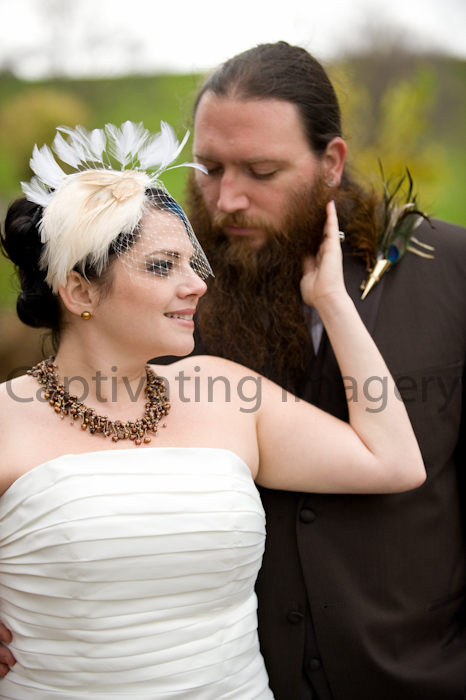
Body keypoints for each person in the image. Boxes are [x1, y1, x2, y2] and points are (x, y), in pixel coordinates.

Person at [0, 120, 424, 699]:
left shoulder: (223, 393)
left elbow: (394, 460)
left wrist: (332, 300)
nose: (197, 284)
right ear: (79, 292)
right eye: (161, 266)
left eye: (190, 262)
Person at [179, 42, 466, 700]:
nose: (226, 199)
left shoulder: (454, 270)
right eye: (210, 167)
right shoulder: (166, 295)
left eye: (261, 170)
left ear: (330, 163)